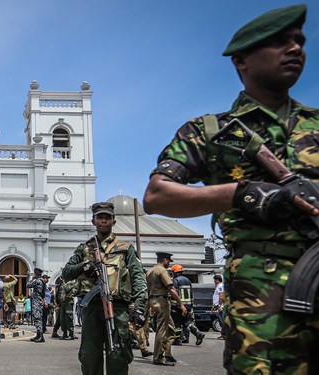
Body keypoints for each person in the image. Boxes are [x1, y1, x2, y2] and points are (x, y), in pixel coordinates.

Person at [143, 4, 319, 374]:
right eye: (279, 42)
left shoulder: (316, 126)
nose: (295, 49)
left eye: (299, 41)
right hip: (260, 301)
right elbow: (157, 196)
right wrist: (239, 194)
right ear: (242, 60)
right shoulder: (208, 132)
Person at [62, 202, 148, 374]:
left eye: (107, 218)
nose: (103, 221)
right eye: (99, 217)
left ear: (113, 222)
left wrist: (139, 307)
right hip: (92, 308)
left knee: (118, 355)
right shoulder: (84, 249)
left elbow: (138, 277)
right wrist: (84, 266)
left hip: (117, 309)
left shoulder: (125, 249)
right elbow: (67, 273)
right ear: (93, 221)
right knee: (90, 357)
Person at [146, 252, 187, 366]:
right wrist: (181, 304)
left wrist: (150, 305)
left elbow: (148, 290)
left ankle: (167, 354)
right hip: (162, 301)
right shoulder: (162, 271)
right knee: (162, 330)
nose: (169, 263)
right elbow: (171, 289)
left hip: (154, 300)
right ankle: (158, 357)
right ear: (164, 260)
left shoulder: (149, 272)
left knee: (171, 328)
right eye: (168, 261)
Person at [170, 264, 205, 346]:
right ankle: (197, 333)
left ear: (175, 272)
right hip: (188, 306)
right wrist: (190, 306)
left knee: (177, 323)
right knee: (186, 322)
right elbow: (191, 294)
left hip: (178, 306)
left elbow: (175, 293)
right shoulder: (188, 280)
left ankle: (177, 340)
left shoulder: (175, 280)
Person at [26, 267, 47, 343]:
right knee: (38, 318)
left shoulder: (38, 281)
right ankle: (38, 335)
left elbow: (28, 285)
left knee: (37, 318)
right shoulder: (42, 281)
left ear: (36, 274)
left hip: (37, 302)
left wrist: (32, 278)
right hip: (39, 301)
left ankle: (40, 336)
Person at [212, 275, 225, 340]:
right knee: (220, 321)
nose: (214, 281)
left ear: (217, 279)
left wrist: (220, 306)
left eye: (214, 279)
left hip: (220, 306)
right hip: (217, 305)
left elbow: (221, 296)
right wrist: (213, 306)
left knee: (222, 321)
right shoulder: (218, 286)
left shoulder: (220, 286)